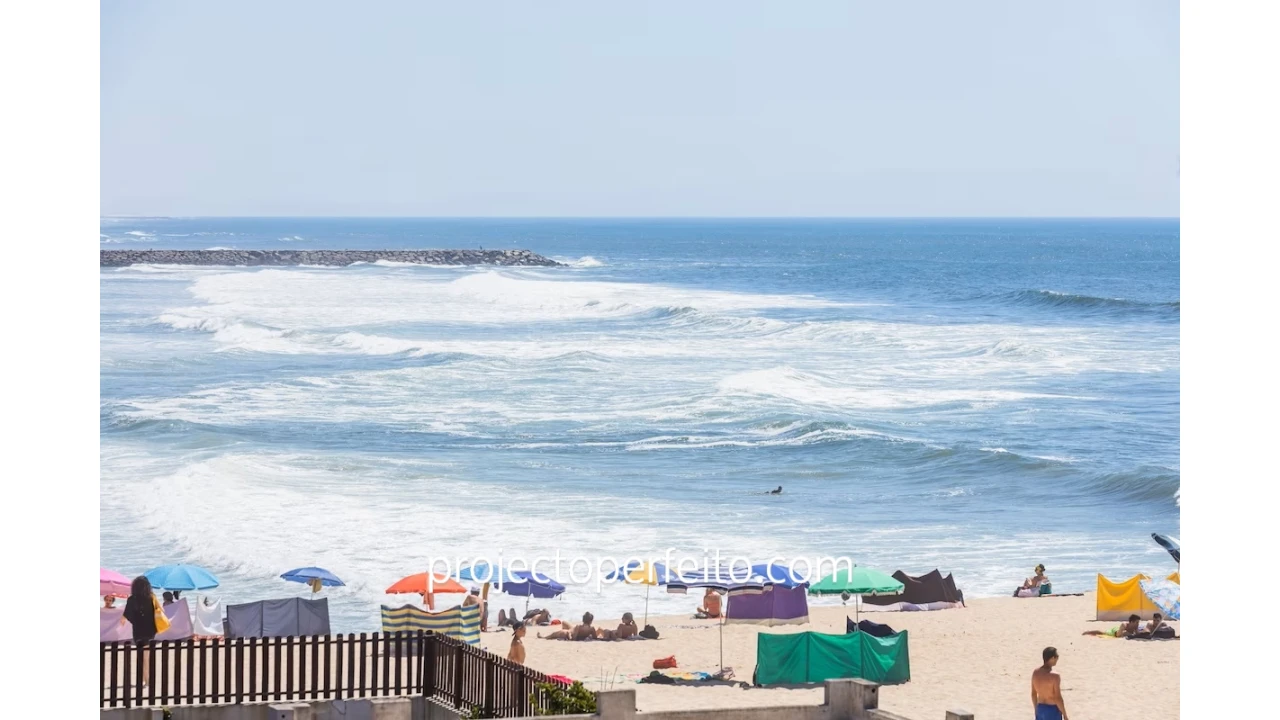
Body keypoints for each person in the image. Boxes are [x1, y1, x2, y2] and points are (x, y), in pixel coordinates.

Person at [122, 576, 168, 687]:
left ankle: (145, 679)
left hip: (138, 630)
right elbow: (161, 611)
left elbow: (127, 615)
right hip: (150, 629)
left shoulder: (132, 599)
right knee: (147, 655)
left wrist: (136, 621)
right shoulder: (151, 597)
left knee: (141, 655)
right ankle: (146, 680)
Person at [1031, 646, 1068, 720]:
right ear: (1052, 658)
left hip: (1040, 708)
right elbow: (1058, 698)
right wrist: (1065, 715)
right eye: (1056, 656)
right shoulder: (1055, 676)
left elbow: (1033, 694)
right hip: (1052, 710)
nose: (1057, 659)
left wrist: (1036, 709)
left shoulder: (1035, 673)